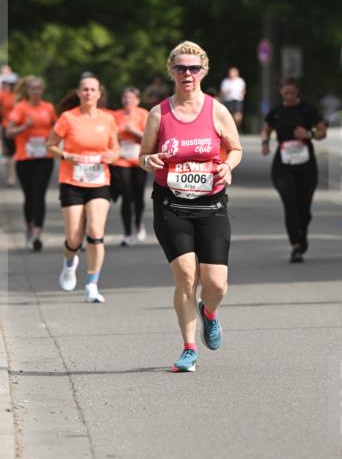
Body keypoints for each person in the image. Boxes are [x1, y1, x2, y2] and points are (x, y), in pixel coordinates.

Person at [139, 40, 242, 372]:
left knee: (216, 284)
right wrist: (149, 159)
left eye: (193, 68)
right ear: (171, 71)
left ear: (204, 71)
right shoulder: (159, 113)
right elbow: (142, 157)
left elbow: (236, 149)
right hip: (171, 205)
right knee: (185, 275)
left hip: (211, 207)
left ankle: (209, 312)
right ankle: (188, 348)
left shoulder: (217, 110)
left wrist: (229, 166)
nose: (187, 74)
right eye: (181, 68)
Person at [47, 75, 119, 302]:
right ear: (78, 93)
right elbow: (50, 146)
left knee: (96, 233)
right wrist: (66, 155)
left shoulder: (108, 120)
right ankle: (69, 263)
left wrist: (112, 155)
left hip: (99, 181)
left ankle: (92, 284)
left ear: (99, 94)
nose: (88, 93)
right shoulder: (68, 118)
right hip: (72, 181)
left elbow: (115, 149)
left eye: (92, 90)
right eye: (84, 89)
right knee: (74, 239)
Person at [261, 77, 327, 262]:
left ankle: (302, 233)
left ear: (297, 92)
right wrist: (265, 143)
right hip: (283, 166)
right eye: (285, 93)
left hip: (306, 166)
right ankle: (296, 246)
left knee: (303, 208)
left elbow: (322, 132)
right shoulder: (276, 112)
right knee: (290, 205)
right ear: (281, 92)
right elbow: (266, 128)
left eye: (292, 93)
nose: (289, 96)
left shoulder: (307, 110)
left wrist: (309, 133)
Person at [6, 76, 56, 250]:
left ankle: (37, 234)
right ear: (27, 91)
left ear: (42, 91)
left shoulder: (48, 108)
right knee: (29, 196)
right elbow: (9, 132)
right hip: (25, 158)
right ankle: (29, 226)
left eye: (39, 89)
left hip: (44, 158)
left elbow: (57, 128)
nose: (36, 92)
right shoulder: (20, 108)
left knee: (39, 194)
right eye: (33, 89)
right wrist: (24, 127)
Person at [111, 87, 149, 245]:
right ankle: (127, 233)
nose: (128, 101)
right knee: (126, 195)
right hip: (122, 159)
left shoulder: (143, 114)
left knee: (138, 195)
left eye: (131, 98)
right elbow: (109, 136)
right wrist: (117, 137)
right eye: (125, 98)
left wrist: (134, 131)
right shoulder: (115, 116)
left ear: (137, 100)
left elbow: (150, 138)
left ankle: (138, 223)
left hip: (139, 159)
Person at [0, 79, 17, 185]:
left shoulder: (18, 96)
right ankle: (11, 177)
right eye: (5, 85)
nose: (8, 87)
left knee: (18, 152)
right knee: (10, 153)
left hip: (20, 127)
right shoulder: (1, 95)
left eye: (10, 85)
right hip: (6, 125)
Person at [220, 66, 246, 131]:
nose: (232, 74)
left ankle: (237, 128)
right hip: (228, 100)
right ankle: (230, 129)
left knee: (238, 116)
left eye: (233, 72)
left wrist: (242, 95)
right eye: (231, 72)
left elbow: (243, 90)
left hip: (237, 100)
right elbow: (222, 91)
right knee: (229, 116)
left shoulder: (240, 81)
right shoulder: (225, 81)